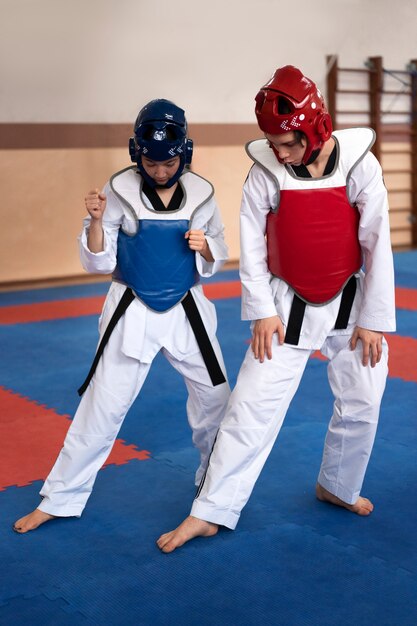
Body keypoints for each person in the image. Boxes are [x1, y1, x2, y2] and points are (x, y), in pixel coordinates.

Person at [156, 65, 396, 553]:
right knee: (251, 407)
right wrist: (261, 310)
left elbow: (377, 242)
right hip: (286, 306)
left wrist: (373, 319)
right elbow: (253, 244)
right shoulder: (265, 171)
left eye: (288, 143)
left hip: (351, 301)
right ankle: (211, 510)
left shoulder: (359, 165)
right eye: (273, 143)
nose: (279, 152)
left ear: (315, 128)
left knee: (364, 399)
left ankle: (338, 485)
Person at [13, 99, 231, 533]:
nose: (160, 170)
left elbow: (218, 252)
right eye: (151, 161)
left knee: (217, 401)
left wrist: (204, 246)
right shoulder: (117, 190)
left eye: (168, 162)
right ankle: (60, 497)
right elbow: (98, 261)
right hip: (132, 308)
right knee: (103, 405)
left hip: (187, 309)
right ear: (137, 152)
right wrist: (95, 221)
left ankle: (215, 490)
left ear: (184, 152)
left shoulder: (204, 193)